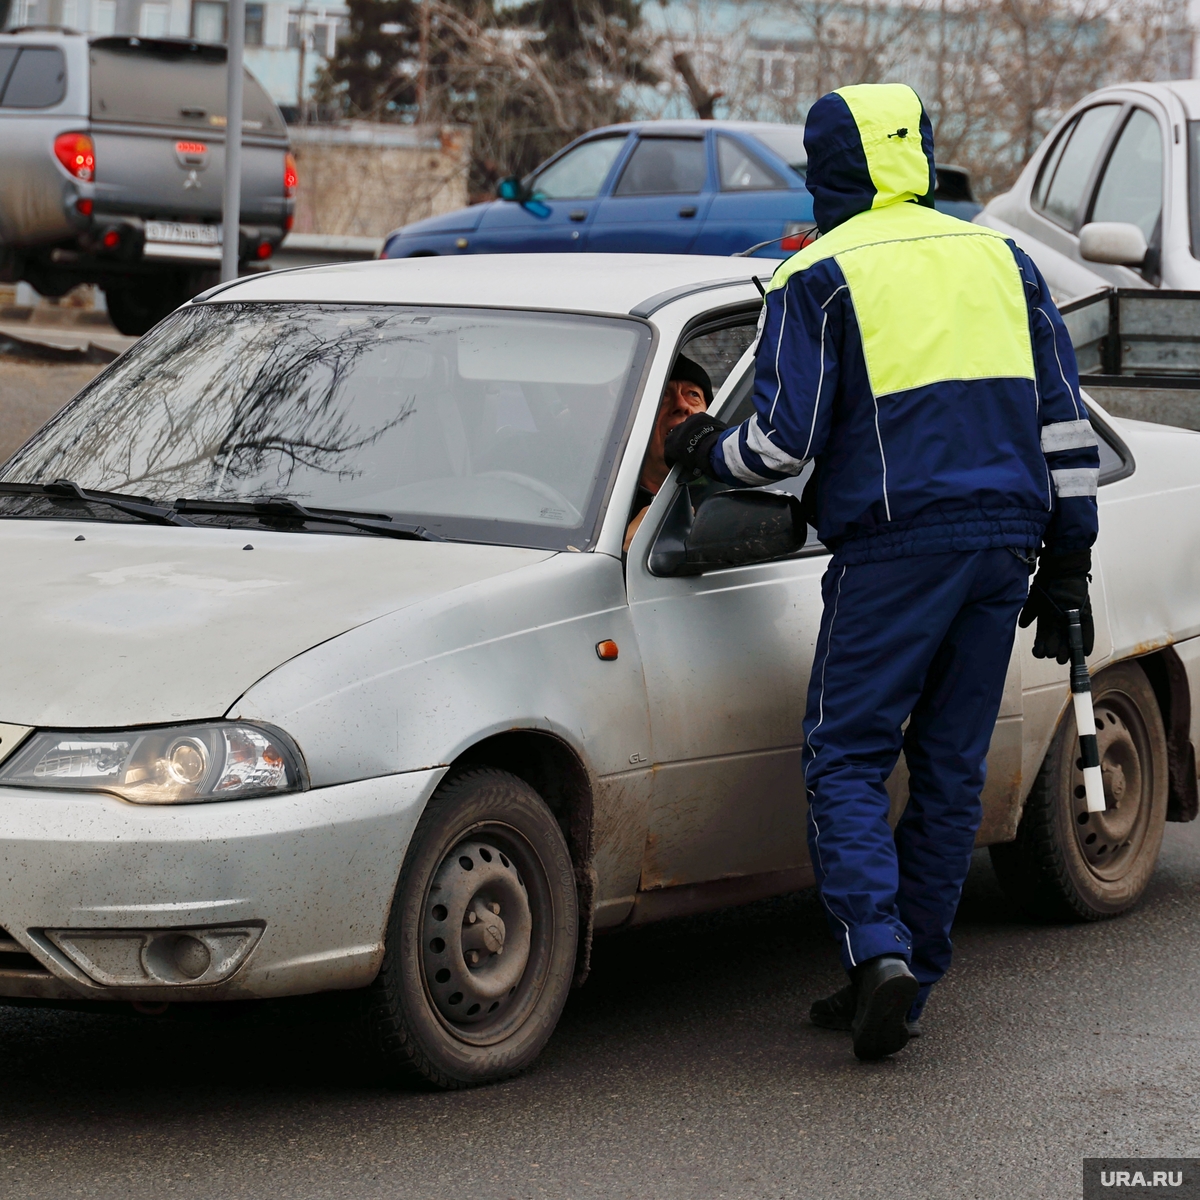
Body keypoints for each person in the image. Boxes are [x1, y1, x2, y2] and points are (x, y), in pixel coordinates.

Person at [665, 82, 1099, 1061]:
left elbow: (780, 448)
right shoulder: (1003, 258)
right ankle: (910, 978)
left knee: (847, 754)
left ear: (828, 170)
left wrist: (701, 447)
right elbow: (1065, 427)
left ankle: (877, 955)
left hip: (896, 548)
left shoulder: (818, 274)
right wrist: (1069, 561)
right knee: (948, 767)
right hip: (1007, 547)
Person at [623, 355, 712, 553]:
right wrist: (624, 551)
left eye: (693, 395)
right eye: (663, 394)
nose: (681, 405)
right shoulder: (601, 502)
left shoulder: (729, 495)